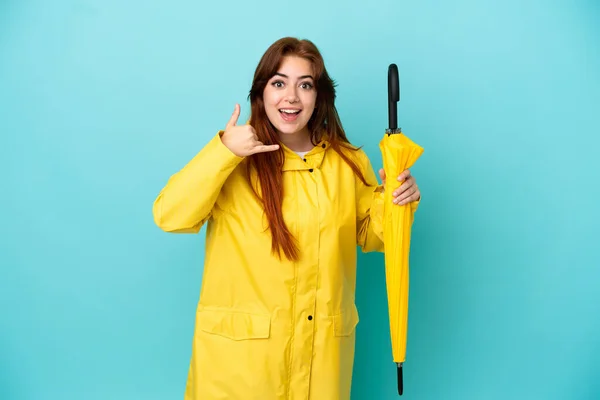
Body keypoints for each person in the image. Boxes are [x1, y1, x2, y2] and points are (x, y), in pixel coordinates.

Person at [152, 37, 421, 400]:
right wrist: (222, 152)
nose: (291, 97)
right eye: (279, 83)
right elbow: (171, 215)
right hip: (239, 372)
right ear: (261, 92)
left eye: (304, 84)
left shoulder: (347, 163)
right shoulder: (233, 160)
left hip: (320, 367)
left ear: (319, 95)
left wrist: (398, 203)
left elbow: (377, 237)